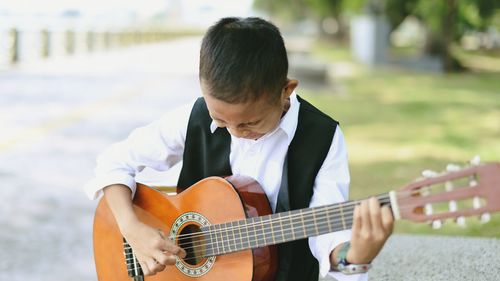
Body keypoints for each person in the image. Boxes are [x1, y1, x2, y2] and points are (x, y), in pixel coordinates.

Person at [84, 17, 393, 281]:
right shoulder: (195, 116)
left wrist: (354, 256)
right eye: (220, 121)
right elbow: (114, 162)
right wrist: (132, 228)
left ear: (286, 90)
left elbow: (327, 239)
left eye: (249, 123)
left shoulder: (322, 138)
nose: (234, 132)